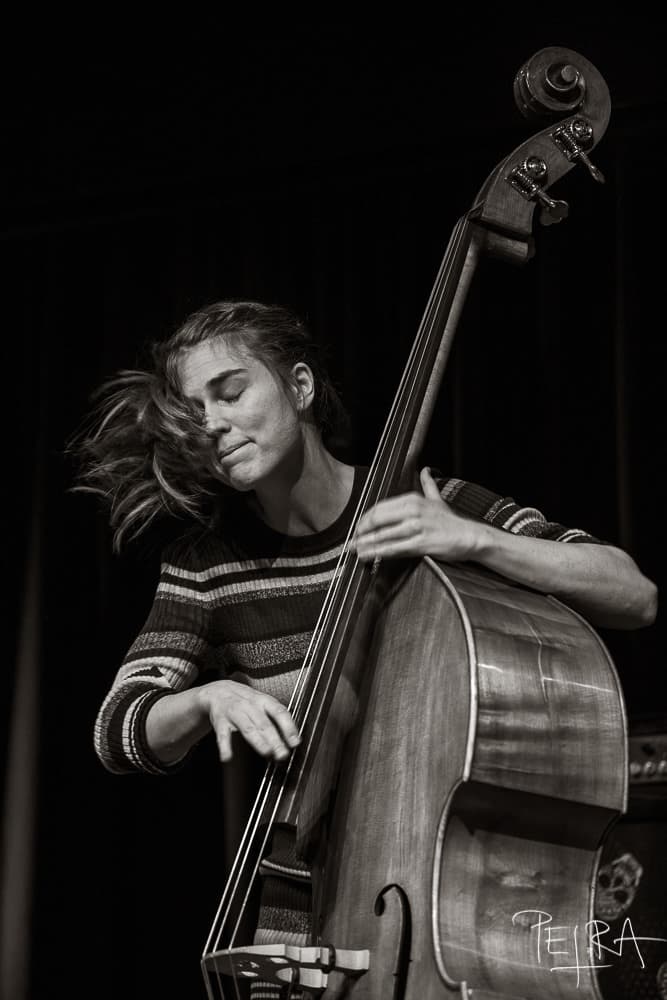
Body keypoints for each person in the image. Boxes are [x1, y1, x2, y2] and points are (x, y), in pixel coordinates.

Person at [75, 298, 657, 996]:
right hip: (295, 917)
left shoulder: (428, 505)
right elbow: (120, 729)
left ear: (299, 386)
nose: (213, 424)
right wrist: (206, 698)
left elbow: (631, 593)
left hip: (452, 906)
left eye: (230, 392)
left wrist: (476, 540)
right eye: (195, 411)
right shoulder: (208, 564)